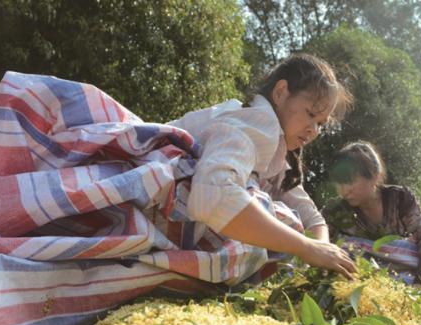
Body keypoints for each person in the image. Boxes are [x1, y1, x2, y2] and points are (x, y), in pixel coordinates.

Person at [150, 53, 357, 280]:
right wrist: (306, 248)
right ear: (280, 92)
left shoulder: (275, 152)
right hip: (150, 202)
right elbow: (213, 195)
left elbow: (313, 218)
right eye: (310, 114)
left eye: (320, 124)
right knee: (278, 217)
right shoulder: (257, 121)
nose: (314, 130)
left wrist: (322, 252)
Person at [323, 141, 421, 286]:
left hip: (406, 279)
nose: (344, 191)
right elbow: (319, 244)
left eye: (350, 181)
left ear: (374, 176)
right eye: (339, 183)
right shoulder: (336, 211)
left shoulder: (400, 199)